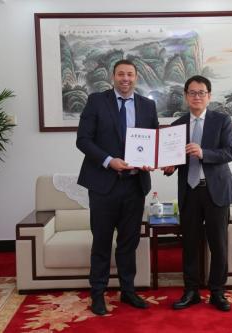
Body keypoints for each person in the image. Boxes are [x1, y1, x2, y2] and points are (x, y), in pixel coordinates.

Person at [76, 59, 159, 316]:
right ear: (113, 77)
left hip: (135, 185)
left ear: (136, 78)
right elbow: (83, 140)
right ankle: (98, 294)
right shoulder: (96, 101)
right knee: (101, 242)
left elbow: (154, 140)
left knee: (128, 243)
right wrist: (109, 161)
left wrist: (152, 161)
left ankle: (128, 291)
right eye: (121, 74)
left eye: (130, 74)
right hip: (103, 185)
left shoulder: (147, 105)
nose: (126, 79)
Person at [163, 75, 232, 312]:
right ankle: (191, 291)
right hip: (189, 192)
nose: (197, 96)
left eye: (201, 92)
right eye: (192, 92)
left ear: (209, 96)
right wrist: (169, 165)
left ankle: (217, 292)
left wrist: (203, 152)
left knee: (218, 244)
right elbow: (172, 160)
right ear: (186, 96)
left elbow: (229, 152)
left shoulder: (222, 120)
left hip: (216, 191)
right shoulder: (176, 126)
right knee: (190, 244)